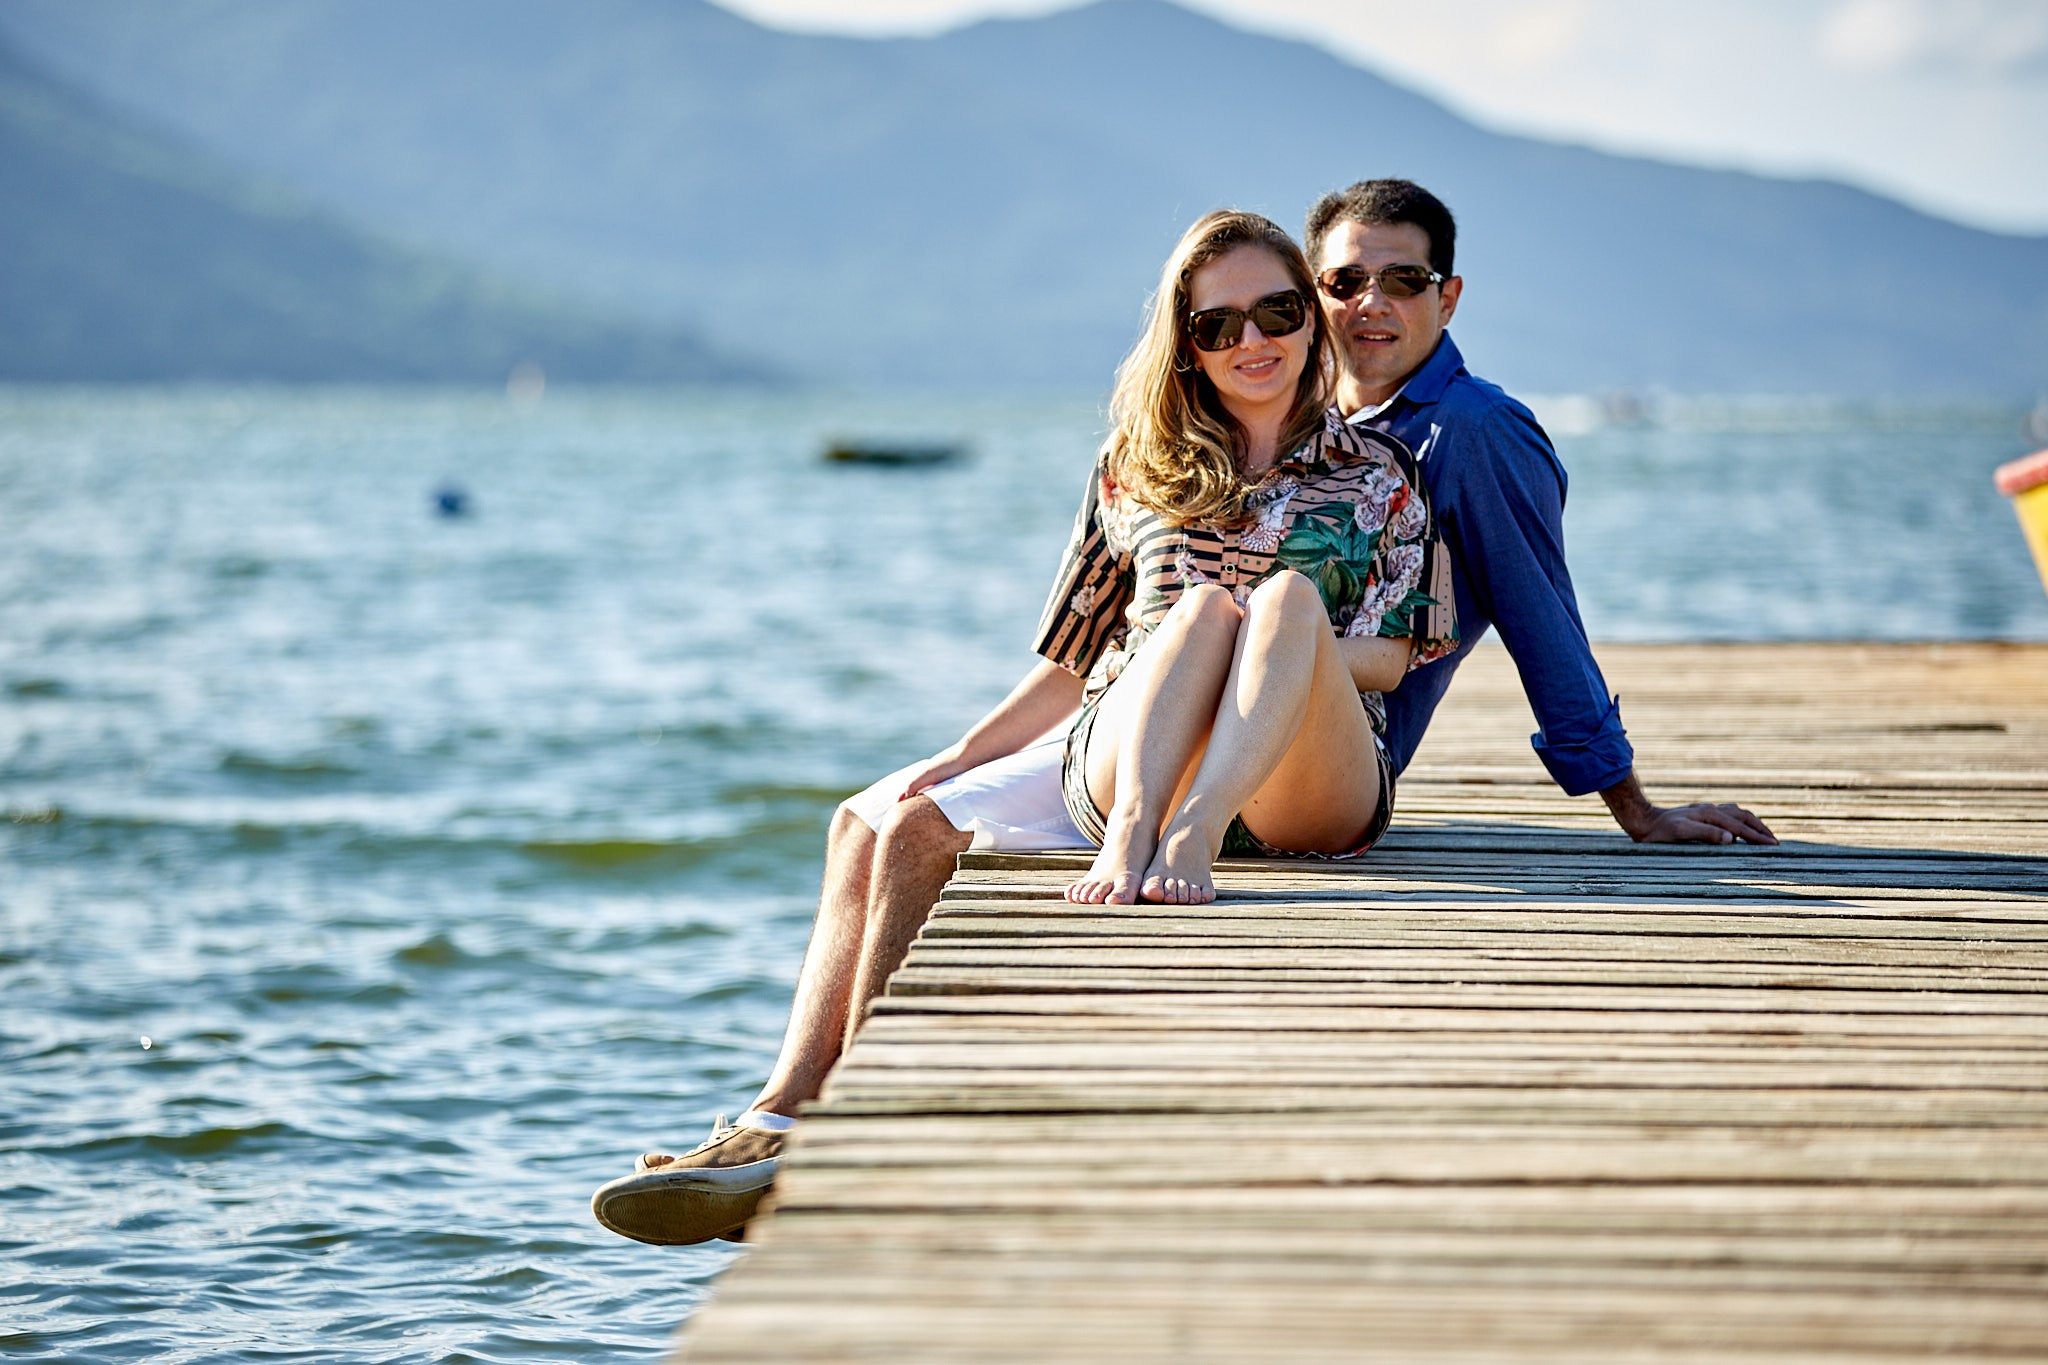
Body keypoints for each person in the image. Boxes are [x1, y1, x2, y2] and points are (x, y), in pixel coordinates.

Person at [589, 179, 1777, 1248]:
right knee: (878, 820)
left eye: (1385, 284)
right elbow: (1069, 657)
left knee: (1262, 604)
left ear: (1441, 295)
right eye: (1242, 316)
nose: (1318, 319)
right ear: (1194, 336)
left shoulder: (1434, 449)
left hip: (1304, 763)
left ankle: (1144, 860)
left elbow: (1515, 620)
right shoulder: (1150, 459)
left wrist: (1628, 803)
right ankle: (784, 1120)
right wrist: (949, 758)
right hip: (1127, 735)